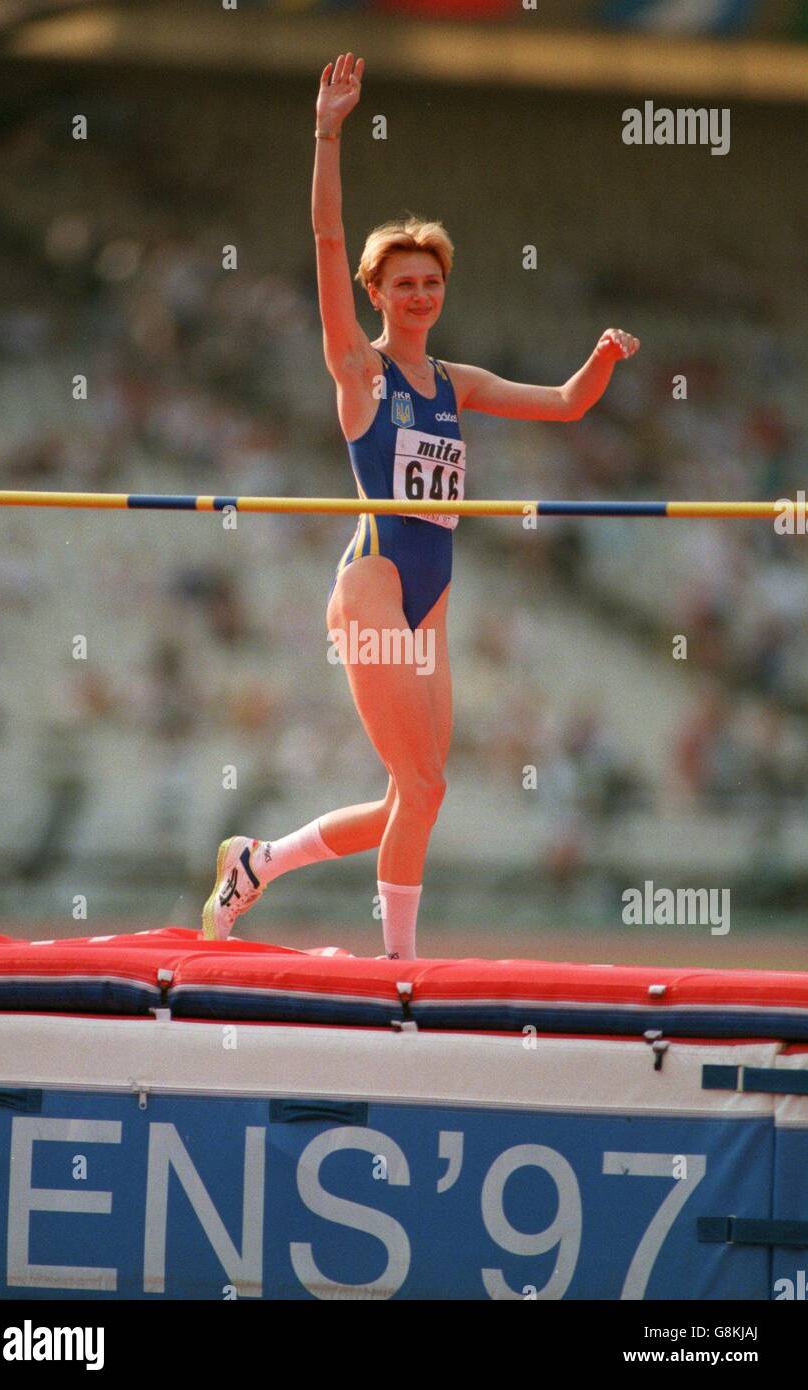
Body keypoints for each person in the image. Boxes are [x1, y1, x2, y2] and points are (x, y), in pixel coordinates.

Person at [202, 52, 639, 956]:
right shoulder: (356, 371)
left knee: (417, 790)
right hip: (372, 587)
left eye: (431, 282)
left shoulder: (455, 380)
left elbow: (564, 404)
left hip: (432, 595)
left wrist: (600, 358)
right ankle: (398, 967)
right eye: (403, 282)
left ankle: (258, 862)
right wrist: (327, 134)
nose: (420, 293)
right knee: (424, 783)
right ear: (376, 293)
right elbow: (326, 240)